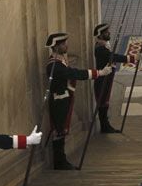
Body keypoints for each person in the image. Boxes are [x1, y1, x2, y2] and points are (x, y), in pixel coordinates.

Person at [46, 32, 112, 170]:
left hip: (64, 99)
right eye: (63, 44)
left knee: (62, 129)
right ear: (56, 47)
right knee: (59, 130)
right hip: (59, 101)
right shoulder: (54, 66)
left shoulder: (59, 63)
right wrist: (98, 73)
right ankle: (59, 161)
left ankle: (61, 159)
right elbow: (74, 74)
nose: (66, 46)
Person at [93, 23, 137, 133]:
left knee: (105, 101)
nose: (109, 33)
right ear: (100, 35)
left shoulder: (104, 45)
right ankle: (104, 126)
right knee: (103, 102)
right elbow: (113, 57)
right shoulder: (100, 49)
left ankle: (105, 125)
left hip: (107, 78)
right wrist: (132, 58)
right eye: (106, 33)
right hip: (102, 80)